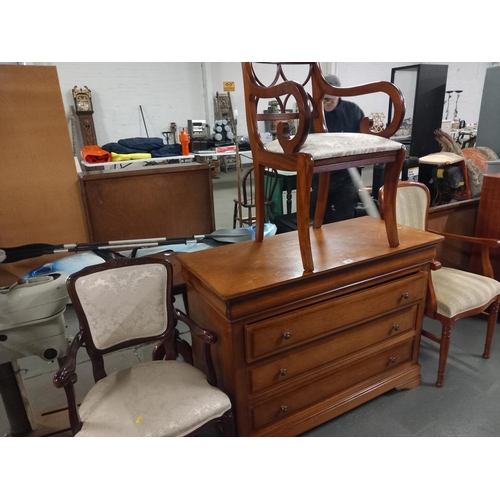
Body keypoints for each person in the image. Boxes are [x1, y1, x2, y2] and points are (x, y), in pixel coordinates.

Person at [309, 74, 365, 224]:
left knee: (344, 221)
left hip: (346, 177)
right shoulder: (312, 115)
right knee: (318, 219)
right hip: (320, 176)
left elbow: (362, 142)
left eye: (330, 99)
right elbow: (307, 143)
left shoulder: (353, 111)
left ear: (338, 95)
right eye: (323, 99)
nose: (327, 103)